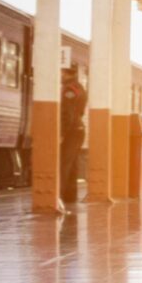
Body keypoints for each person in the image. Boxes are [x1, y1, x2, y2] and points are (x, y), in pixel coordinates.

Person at [58, 63, 86, 209]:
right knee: (72, 165)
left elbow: (67, 114)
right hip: (78, 129)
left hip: (71, 131)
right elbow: (80, 112)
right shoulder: (79, 87)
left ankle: (59, 197)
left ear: (66, 72)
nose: (60, 75)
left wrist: (62, 133)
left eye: (61, 72)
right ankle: (70, 197)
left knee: (63, 164)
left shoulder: (69, 90)